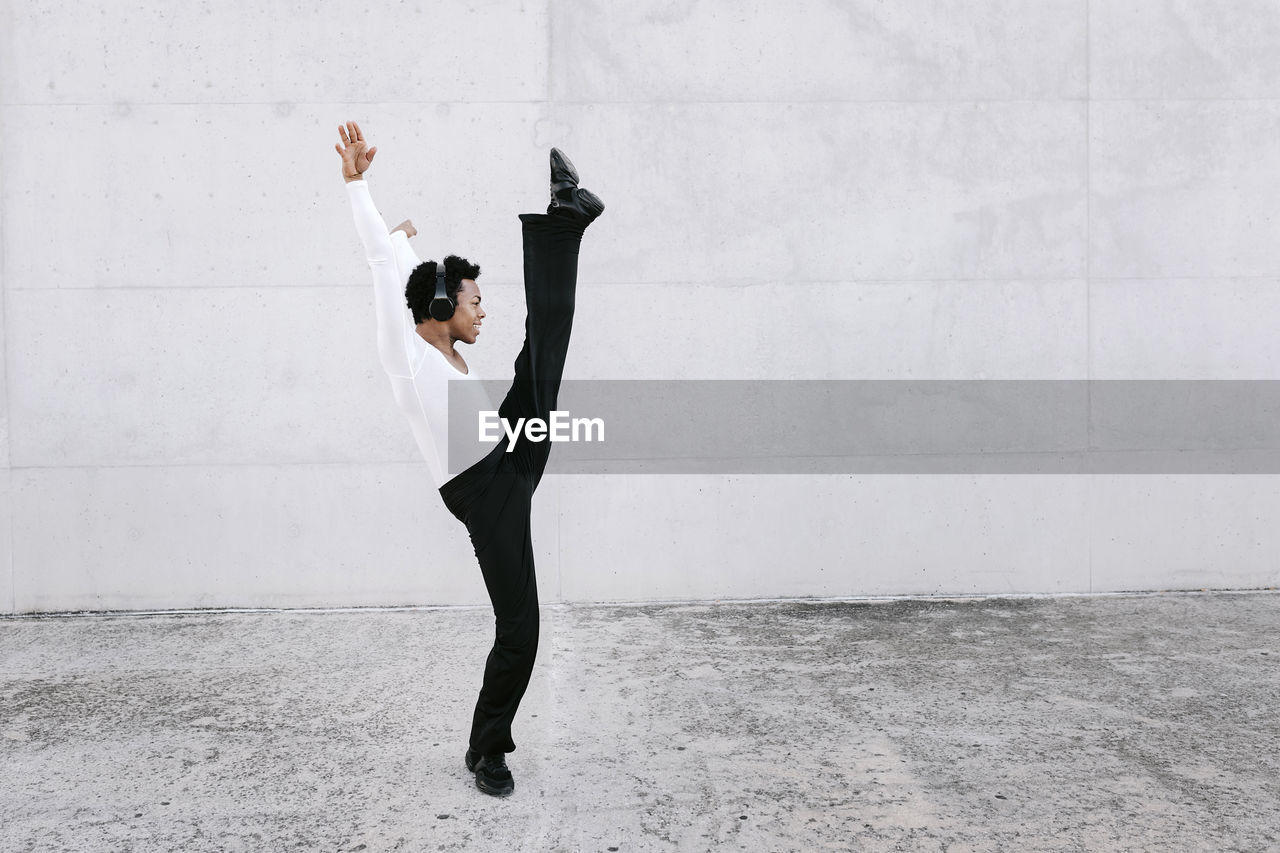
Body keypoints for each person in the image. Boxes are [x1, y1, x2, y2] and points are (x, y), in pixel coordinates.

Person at [335, 120, 604, 797]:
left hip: (503, 452)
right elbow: (380, 265)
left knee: (541, 350)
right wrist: (358, 185)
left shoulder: (442, 343)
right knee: (522, 628)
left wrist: (403, 239)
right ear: (440, 307)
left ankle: (565, 220)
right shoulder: (408, 357)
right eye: (473, 302)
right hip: (488, 493)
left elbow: (400, 261)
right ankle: (488, 749)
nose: (479, 312)